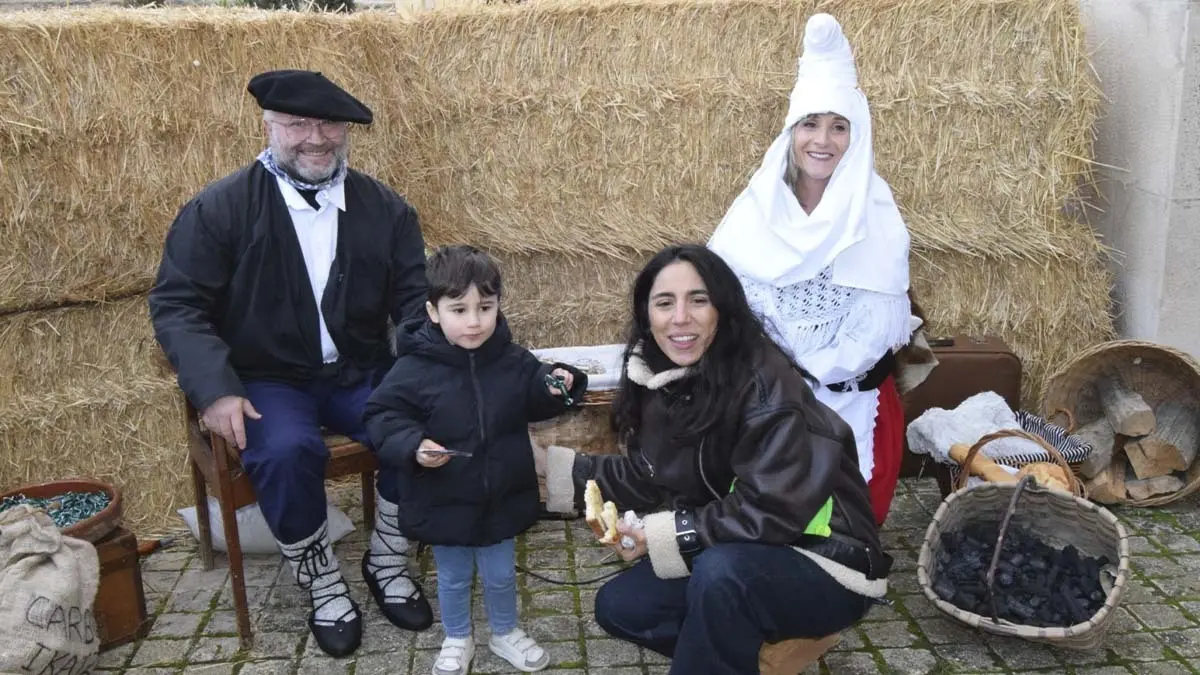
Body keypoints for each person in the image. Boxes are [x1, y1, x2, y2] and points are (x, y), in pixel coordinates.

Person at [149, 69, 433, 657]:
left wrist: (429, 372)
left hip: (358, 370)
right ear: (269, 127)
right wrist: (216, 391)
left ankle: (386, 557)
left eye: (329, 123)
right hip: (266, 378)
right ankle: (320, 578)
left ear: (346, 130)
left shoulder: (386, 210)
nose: (316, 138)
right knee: (283, 450)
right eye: (298, 123)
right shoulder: (219, 209)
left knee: (421, 423)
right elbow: (178, 305)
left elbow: (414, 303)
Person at [539, 244, 891, 675]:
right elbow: (650, 475)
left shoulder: (765, 384)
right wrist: (554, 473)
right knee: (622, 606)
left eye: (698, 300)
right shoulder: (664, 377)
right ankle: (752, 653)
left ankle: (735, 646)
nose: (680, 317)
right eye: (664, 303)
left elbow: (771, 509)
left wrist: (664, 533)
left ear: (723, 309)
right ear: (646, 316)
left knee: (719, 574)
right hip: (743, 548)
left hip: (825, 559)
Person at [707, 13, 913, 525]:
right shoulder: (755, 209)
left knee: (838, 538)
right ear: (791, 130)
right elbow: (723, 308)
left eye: (839, 126)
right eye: (810, 124)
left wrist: (809, 376)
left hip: (852, 405)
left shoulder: (876, 214)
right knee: (764, 524)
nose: (823, 140)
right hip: (766, 405)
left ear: (856, 136)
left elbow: (872, 334)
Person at [363, 245, 589, 675]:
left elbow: (535, 394)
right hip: (444, 498)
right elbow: (382, 416)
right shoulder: (412, 369)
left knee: (501, 575)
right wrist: (414, 445)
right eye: (459, 309)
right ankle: (457, 638)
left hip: (502, 496)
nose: (474, 321)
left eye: (485, 307)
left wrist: (558, 383)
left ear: (498, 305)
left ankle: (504, 632)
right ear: (433, 312)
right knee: (452, 577)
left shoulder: (512, 360)